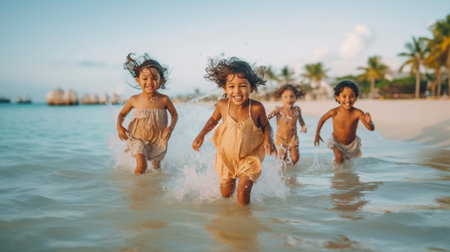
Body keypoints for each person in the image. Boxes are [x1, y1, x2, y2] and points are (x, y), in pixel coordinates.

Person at [192, 57, 277, 206]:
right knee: (226, 194)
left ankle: (245, 222)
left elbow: (266, 126)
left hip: (250, 157)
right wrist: (201, 135)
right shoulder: (223, 105)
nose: (237, 91)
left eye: (243, 86)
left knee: (243, 192)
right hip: (226, 158)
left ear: (252, 87)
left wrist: (269, 138)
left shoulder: (256, 108)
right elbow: (213, 120)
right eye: (231, 86)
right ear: (225, 89)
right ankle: (229, 219)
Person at [117, 53, 178, 174]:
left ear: (161, 81)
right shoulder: (134, 99)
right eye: (145, 79)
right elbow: (122, 114)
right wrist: (119, 127)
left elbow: (174, 115)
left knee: (156, 170)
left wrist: (170, 128)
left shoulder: (164, 100)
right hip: (138, 138)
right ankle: (137, 190)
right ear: (138, 80)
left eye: (154, 78)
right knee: (142, 166)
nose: (149, 82)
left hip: (157, 139)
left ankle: (152, 190)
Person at [314, 80, 374, 166]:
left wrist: (369, 122)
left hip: (351, 144)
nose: (348, 100)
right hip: (336, 142)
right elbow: (322, 120)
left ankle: (345, 176)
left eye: (352, 96)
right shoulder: (334, 112)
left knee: (347, 162)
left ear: (356, 97)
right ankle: (337, 175)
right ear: (338, 97)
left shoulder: (358, 113)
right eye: (344, 96)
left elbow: (371, 128)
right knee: (339, 157)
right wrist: (317, 133)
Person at [268, 84, 307, 168]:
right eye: (285, 97)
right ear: (281, 99)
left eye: (292, 96)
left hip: (293, 138)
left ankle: (289, 168)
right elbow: (268, 117)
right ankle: (283, 174)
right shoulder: (279, 110)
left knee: (295, 158)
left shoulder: (297, 109)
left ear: (296, 97)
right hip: (280, 138)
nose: (289, 99)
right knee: (282, 157)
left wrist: (303, 126)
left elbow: (300, 119)